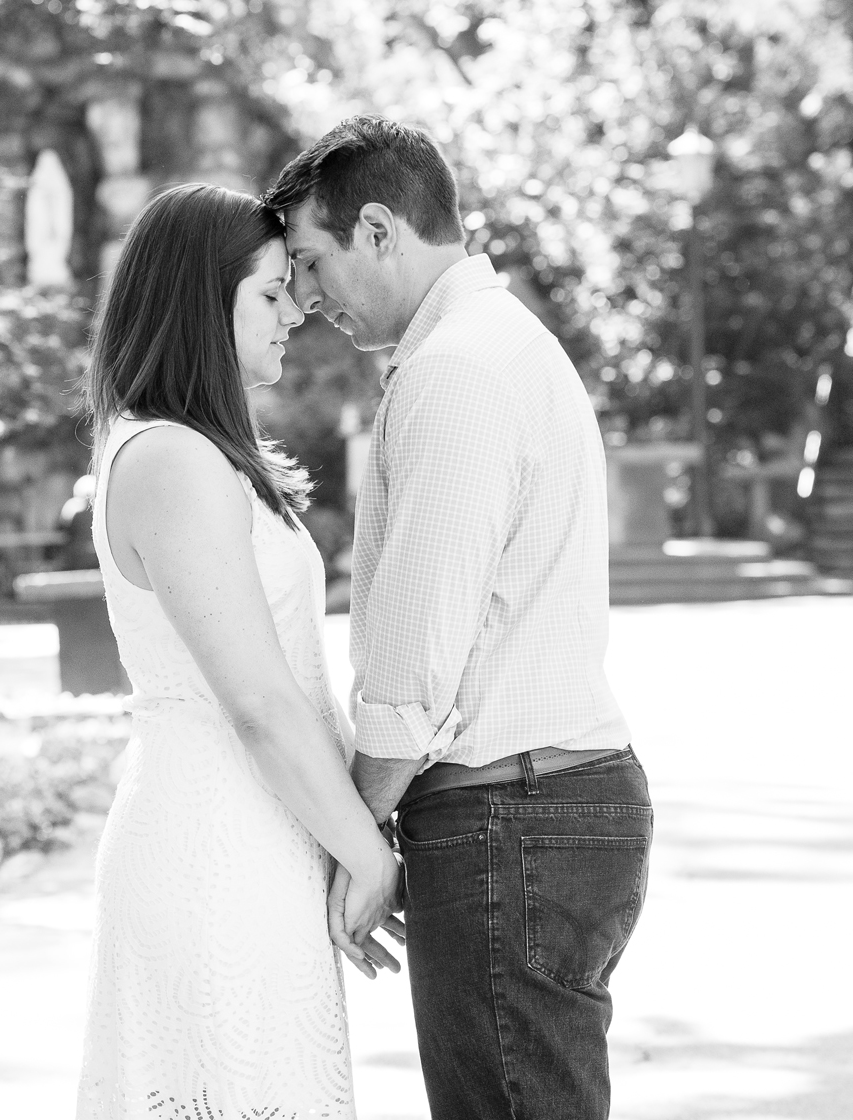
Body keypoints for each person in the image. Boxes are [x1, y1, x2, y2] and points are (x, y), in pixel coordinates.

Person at [266, 116, 652, 1120]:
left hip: (507, 819)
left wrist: (353, 839)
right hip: (541, 810)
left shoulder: (454, 372)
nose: (308, 300)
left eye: (311, 260)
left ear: (382, 230)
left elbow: (413, 663)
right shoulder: (496, 344)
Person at [76, 183, 401, 1120]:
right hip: (212, 851)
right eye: (267, 292)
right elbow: (258, 700)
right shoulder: (173, 460)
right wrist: (368, 855)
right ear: (197, 302)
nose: (295, 309)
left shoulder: (198, 451)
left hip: (258, 842)